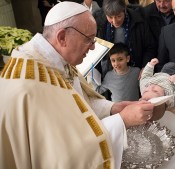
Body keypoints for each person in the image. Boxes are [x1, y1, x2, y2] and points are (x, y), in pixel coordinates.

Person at [0, 2, 155, 169]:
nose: (94, 46)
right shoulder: (31, 86)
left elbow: (78, 104)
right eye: (88, 39)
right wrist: (121, 120)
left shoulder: (54, 60)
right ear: (61, 37)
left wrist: (113, 108)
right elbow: (66, 153)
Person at [94, 0, 157, 77]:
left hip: (136, 72)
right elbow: (95, 51)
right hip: (108, 74)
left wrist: (145, 67)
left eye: (118, 16)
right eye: (110, 17)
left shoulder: (139, 20)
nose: (115, 21)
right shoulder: (98, 23)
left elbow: (150, 47)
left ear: (124, 10)